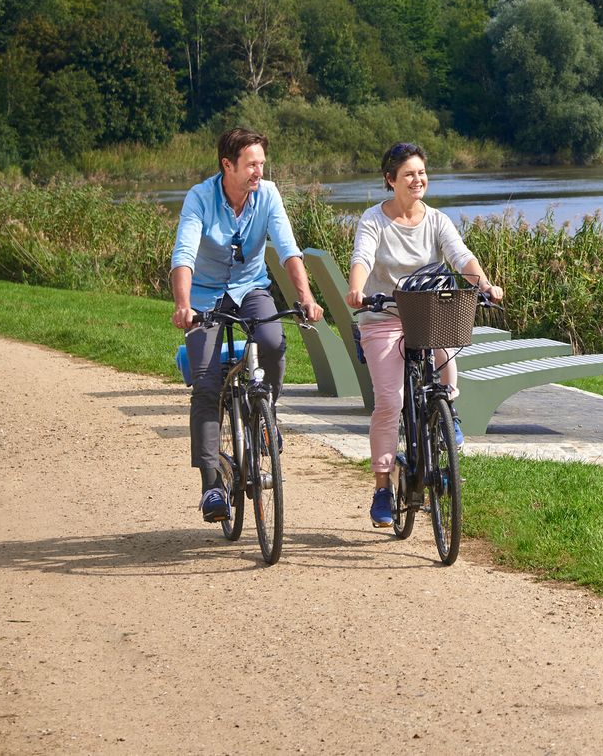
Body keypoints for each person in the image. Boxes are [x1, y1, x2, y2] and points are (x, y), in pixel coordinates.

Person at [171, 127, 325, 523]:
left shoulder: (268, 195)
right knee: (206, 383)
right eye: (251, 164)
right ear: (228, 165)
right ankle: (211, 487)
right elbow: (184, 254)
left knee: (273, 341)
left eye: (261, 163)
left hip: (250, 288)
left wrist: (305, 298)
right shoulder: (200, 198)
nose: (259, 171)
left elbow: (289, 250)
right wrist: (184, 305)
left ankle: (266, 415)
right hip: (205, 295)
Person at [346, 142, 503, 528]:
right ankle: (383, 486)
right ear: (390, 180)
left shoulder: (437, 220)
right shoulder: (373, 221)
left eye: (421, 173)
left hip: (429, 312)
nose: (418, 180)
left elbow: (461, 256)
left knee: (447, 353)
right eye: (408, 175)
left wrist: (484, 285)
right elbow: (363, 257)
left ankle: (447, 415)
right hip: (382, 314)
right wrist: (356, 289)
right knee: (389, 401)